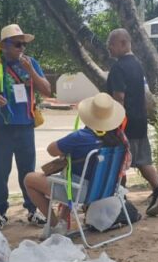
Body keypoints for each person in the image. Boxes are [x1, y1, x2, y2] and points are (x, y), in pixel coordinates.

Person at [0, 24, 52, 229]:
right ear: (4, 46)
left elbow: (47, 90)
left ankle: (32, 210)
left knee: (28, 172)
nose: (22, 48)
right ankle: (0, 212)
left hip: (25, 127)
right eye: (17, 44)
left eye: (24, 45)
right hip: (1, 128)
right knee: (1, 172)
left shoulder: (31, 63)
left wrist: (31, 71)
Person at [23, 92, 126, 234]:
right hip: (106, 189)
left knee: (29, 179)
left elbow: (51, 150)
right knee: (73, 175)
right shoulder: (119, 139)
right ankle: (63, 221)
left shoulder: (81, 137)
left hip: (81, 193)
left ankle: (54, 225)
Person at [106, 29, 158, 216]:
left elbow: (119, 97)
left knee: (119, 162)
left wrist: (114, 123)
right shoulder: (137, 65)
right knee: (142, 160)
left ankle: (121, 199)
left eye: (112, 44)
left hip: (124, 122)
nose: (109, 48)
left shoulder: (118, 67)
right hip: (140, 119)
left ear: (123, 43)